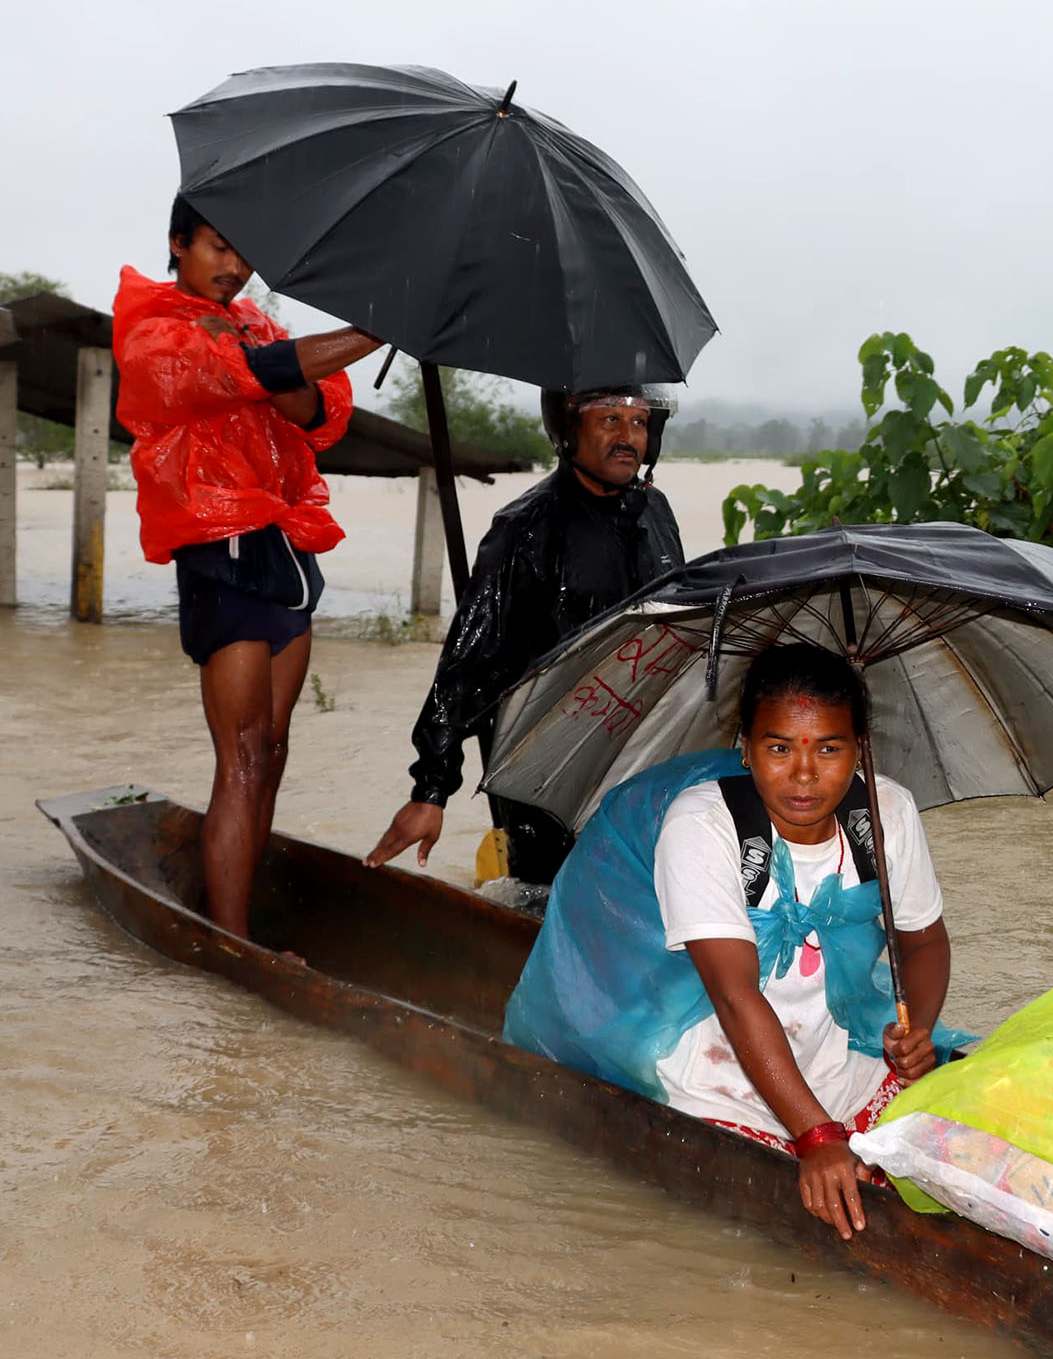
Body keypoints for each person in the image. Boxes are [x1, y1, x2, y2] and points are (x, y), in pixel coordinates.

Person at [502, 643, 961, 1238]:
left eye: (829, 748)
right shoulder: (702, 825)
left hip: (835, 1042)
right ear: (745, 746)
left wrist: (914, 1035)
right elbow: (734, 995)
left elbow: (924, 943)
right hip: (716, 1055)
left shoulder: (886, 809)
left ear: (860, 749)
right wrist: (816, 1135)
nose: (803, 775)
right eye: (778, 748)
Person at [113, 197, 384, 937]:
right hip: (219, 541)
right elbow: (232, 374)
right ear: (178, 244)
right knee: (238, 753)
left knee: (271, 748)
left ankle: (241, 921)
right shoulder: (153, 326)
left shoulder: (255, 324)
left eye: (245, 253)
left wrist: (274, 366)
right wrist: (369, 332)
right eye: (219, 248)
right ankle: (230, 942)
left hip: (284, 540)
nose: (235, 267)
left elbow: (311, 412)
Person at [363, 384, 683, 884]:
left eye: (639, 423)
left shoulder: (654, 511)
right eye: (609, 421)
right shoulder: (526, 528)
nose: (628, 438)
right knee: (550, 900)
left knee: (640, 896)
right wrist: (431, 791)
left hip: (639, 753)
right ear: (568, 430)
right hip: (544, 765)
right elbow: (468, 665)